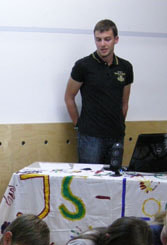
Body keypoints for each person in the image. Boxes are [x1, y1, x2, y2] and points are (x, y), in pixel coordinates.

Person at [64, 19, 133, 164]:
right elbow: (69, 97)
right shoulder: (83, 65)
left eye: (107, 39)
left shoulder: (125, 67)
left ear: (116, 40)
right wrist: (78, 125)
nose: (102, 44)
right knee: (88, 177)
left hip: (116, 136)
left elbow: (124, 103)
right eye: (98, 39)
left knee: (114, 177)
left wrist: (118, 125)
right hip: (90, 138)